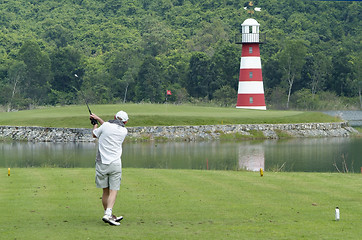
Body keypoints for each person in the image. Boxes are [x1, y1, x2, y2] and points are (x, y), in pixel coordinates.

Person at [90, 110, 129, 226]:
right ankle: (108, 214)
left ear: (114, 117)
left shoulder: (106, 126)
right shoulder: (124, 131)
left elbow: (95, 134)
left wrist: (95, 123)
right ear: (125, 122)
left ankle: (108, 214)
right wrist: (98, 118)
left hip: (102, 163)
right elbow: (108, 126)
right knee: (114, 190)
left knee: (105, 191)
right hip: (115, 164)